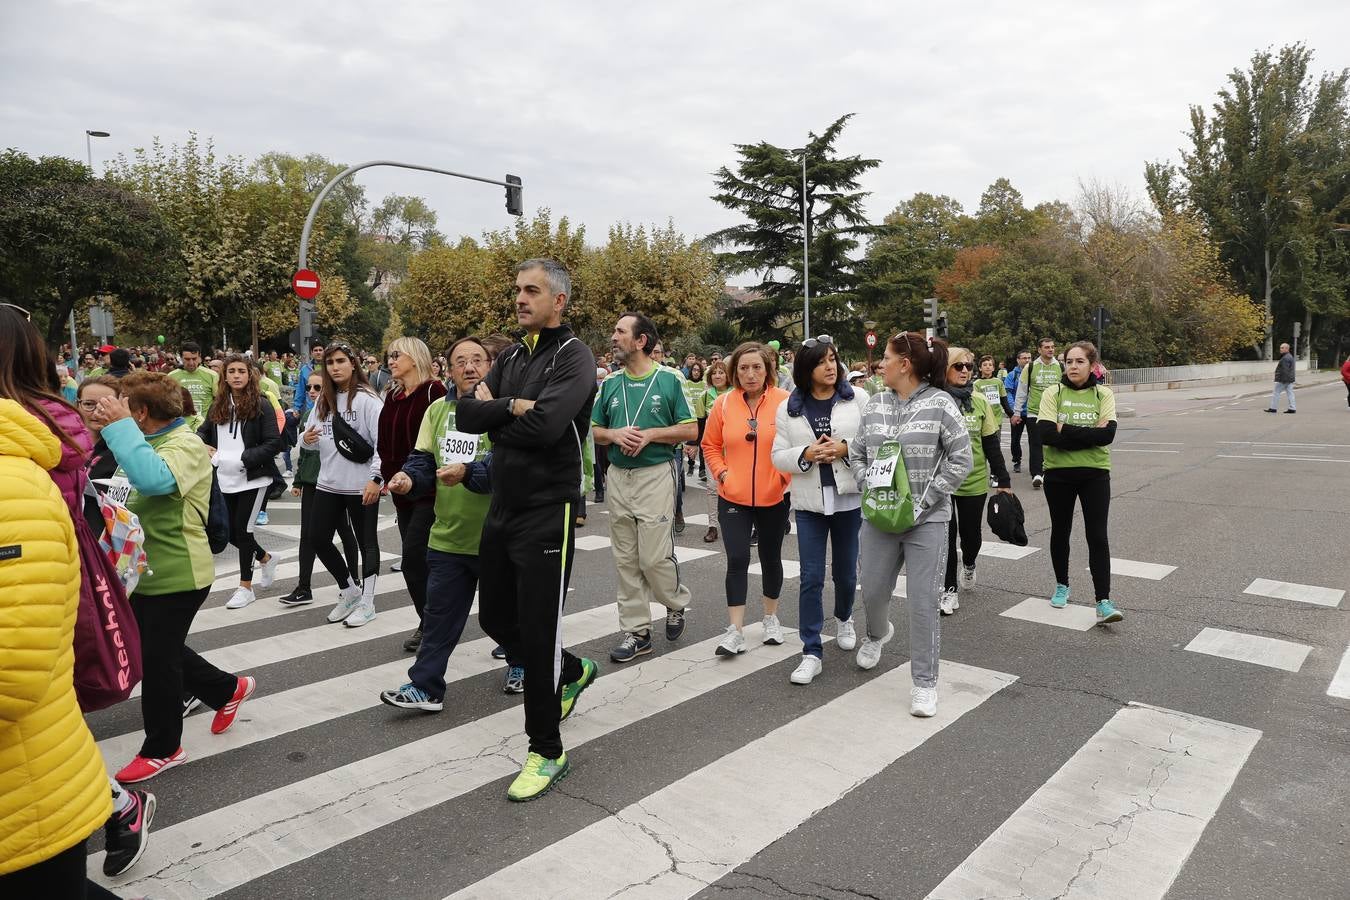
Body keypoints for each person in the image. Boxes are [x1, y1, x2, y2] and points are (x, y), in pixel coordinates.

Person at [455, 258, 600, 802]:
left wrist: (506, 414)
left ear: (558, 300)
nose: (520, 298)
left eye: (531, 291)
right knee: (494, 618)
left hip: (547, 508)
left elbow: (545, 428)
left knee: (537, 636)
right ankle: (572, 669)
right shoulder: (513, 354)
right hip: (503, 505)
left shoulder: (575, 356)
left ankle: (547, 749)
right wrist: (511, 405)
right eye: (517, 290)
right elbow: (464, 412)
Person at [91, 371, 255, 783]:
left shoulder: (185, 445)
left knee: (156, 659)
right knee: (155, 648)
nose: (107, 411)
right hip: (139, 571)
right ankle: (226, 689)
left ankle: (164, 748)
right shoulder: (143, 441)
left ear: (141, 412)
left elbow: (154, 480)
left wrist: (120, 429)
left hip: (179, 573)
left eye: (122, 405)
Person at [847, 332, 972, 718]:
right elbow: (856, 451)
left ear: (906, 364)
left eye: (886, 357)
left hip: (926, 521)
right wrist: (867, 482)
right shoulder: (875, 404)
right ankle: (876, 634)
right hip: (878, 518)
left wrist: (926, 498)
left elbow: (961, 459)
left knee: (922, 602)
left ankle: (924, 683)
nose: (879, 364)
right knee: (872, 590)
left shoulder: (941, 404)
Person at [380, 336, 499, 708]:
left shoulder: (501, 411)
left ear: (490, 366)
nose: (469, 367)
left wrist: (467, 473)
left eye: (477, 360)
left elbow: (504, 468)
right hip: (448, 535)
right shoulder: (437, 412)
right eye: (460, 361)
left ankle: (523, 662)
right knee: (438, 617)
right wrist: (409, 478)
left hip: (498, 536)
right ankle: (426, 686)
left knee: (503, 619)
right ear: (448, 369)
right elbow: (422, 458)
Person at [592, 313, 696, 664]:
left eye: (620, 331)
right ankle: (637, 632)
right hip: (619, 475)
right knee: (625, 558)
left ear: (641, 341)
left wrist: (650, 434)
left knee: (652, 556)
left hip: (655, 472)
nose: (613, 337)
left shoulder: (669, 380)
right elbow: (593, 429)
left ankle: (675, 601)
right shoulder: (609, 384)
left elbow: (690, 429)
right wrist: (615, 435)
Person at [771, 335, 866, 685]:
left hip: (847, 498)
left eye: (833, 360)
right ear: (807, 369)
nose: (830, 367)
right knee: (811, 576)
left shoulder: (857, 398)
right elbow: (777, 455)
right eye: (822, 361)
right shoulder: (789, 406)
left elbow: (875, 440)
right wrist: (806, 455)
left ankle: (844, 617)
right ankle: (811, 650)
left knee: (845, 572)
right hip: (809, 502)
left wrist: (845, 448)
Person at [701, 341, 792, 657]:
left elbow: (797, 446)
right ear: (733, 372)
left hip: (773, 496)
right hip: (733, 496)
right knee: (737, 558)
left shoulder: (784, 402)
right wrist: (723, 474)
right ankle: (735, 631)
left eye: (757, 367)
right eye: (743, 368)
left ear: (768, 369)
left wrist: (782, 479)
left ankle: (770, 618)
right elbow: (710, 445)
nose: (750, 374)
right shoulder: (723, 404)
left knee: (770, 557)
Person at [1037, 340, 1123, 624]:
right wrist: (1087, 434)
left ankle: (1103, 601)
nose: (1073, 366)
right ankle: (1062, 585)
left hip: (1095, 474)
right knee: (1060, 531)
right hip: (1058, 474)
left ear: (1092, 365)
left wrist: (1066, 430)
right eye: (1069, 361)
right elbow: (1046, 434)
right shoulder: (1053, 392)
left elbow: (1107, 437)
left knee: (1097, 536)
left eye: (1079, 362)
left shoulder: (1103, 394)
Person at [301, 342, 384, 627]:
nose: (335, 367)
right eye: (330, 363)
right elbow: (309, 437)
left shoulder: (367, 400)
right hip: (328, 483)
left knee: (366, 543)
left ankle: (368, 602)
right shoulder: (323, 399)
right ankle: (349, 590)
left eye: (340, 361)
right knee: (317, 538)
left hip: (361, 485)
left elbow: (382, 445)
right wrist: (305, 440)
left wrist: (376, 478)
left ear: (353, 363)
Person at [378, 337, 448, 652]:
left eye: (397, 355)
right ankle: (434, 619)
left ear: (415, 357)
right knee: (421, 562)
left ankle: (432, 625)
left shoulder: (435, 392)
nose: (391, 361)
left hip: (430, 490)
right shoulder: (392, 396)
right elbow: (385, 442)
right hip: (400, 490)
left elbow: (444, 436)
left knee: (414, 561)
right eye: (389, 356)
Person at [197, 355, 282, 610]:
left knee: (243, 531)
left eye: (241, 371)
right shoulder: (218, 404)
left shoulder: (262, 404)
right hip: (224, 478)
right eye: (231, 371)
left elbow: (274, 443)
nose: (236, 375)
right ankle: (266, 558)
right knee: (231, 532)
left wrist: (243, 458)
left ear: (250, 375)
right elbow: (204, 431)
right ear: (224, 376)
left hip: (253, 477)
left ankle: (246, 587)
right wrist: (202, 444)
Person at [940, 347, 1013, 616]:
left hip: (973, 480)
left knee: (971, 536)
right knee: (946, 537)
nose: (964, 371)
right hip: (942, 483)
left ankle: (968, 563)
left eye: (968, 367)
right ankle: (949, 589)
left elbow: (991, 444)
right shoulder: (935, 400)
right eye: (958, 366)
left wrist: (1002, 478)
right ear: (944, 369)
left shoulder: (980, 401)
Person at [279, 370, 360, 607]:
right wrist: (297, 480)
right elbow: (303, 451)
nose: (313, 392)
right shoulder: (309, 413)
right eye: (309, 388)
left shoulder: (343, 410)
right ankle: (304, 587)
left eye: (318, 387)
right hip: (313, 482)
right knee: (309, 535)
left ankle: (353, 580)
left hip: (337, 483)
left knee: (345, 532)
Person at [1013, 338, 1061, 488]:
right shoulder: (1031, 367)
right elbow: (1022, 390)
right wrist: (1017, 412)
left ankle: (1050, 470)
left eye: (1052, 347)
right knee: (1036, 444)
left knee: (1052, 443)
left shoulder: (1060, 366)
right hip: (1034, 412)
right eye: (1047, 347)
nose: (1050, 350)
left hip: (1054, 412)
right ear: (1039, 350)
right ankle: (1037, 474)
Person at [699, 360, 731, 542]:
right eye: (714, 373)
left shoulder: (736, 395)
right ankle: (712, 526)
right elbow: (700, 423)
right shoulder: (705, 396)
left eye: (721, 372)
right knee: (712, 488)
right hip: (713, 449)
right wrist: (692, 445)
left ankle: (733, 521)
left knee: (732, 486)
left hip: (734, 450)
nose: (718, 376)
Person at [168, 342, 217, 430]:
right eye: (187, 359)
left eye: (194, 359)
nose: (191, 363)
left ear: (200, 357)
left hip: (205, 427)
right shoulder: (171, 376)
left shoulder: (212, 375)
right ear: (181, 358)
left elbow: (219, 400)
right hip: (180, 428)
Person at [1004, 350, 1031, 473]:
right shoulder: (1012, 375)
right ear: (1018, 360)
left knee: (1035, 440)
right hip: (1018, 412)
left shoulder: (1034, 373)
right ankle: (1017, 461)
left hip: (1032, 412)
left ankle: (1036, 463)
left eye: (1029, 358)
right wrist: (1014, 411)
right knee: (1015, 439)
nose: (1027, 360)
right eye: (1024, 358)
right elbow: (1008, 393)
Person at [686, 360, 707, 478]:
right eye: (694, 370)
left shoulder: (703, 384)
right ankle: (690, 465)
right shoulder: (686, 383)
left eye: (698, 370)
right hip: (690, 418)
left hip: (702, 418)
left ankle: (702, 470)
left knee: (703, 444)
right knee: (691, 444)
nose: (696, 372)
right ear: (691, 371)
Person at [1267, 342, 1297, 414]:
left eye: (1282, 348)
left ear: (1287, 349)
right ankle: (1292, 408)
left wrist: (1283, 380)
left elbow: (1285, 370)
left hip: (1284, 379)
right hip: (1289, 379)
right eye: (1280, 348)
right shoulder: (1290, 356)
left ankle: (1273, 408)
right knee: (1290, 393)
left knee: (1276, 392)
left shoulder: (1285, 358)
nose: (1280, 349)